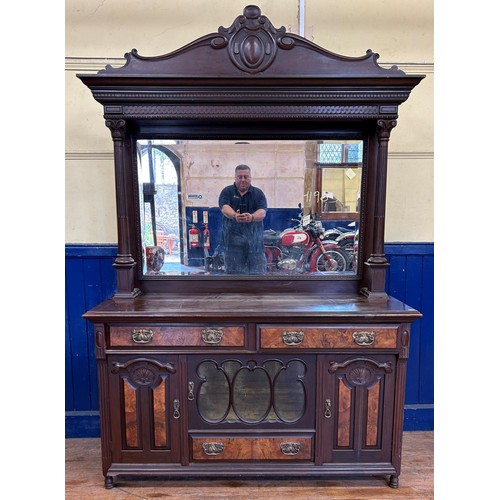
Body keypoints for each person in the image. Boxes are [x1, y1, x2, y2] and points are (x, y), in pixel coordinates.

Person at [218, 164, 267, 274]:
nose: (243, 180)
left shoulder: (258, 193)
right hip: (232, 246)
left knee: (257, 278)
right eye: (240, 177)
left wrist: (252, 217)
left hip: (255, 246)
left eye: (246, 176)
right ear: (235, 178)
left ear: (250, 177)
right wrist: (235, 215)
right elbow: (224, 208)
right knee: (234, 279)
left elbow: (263, 212)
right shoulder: (227, 192)